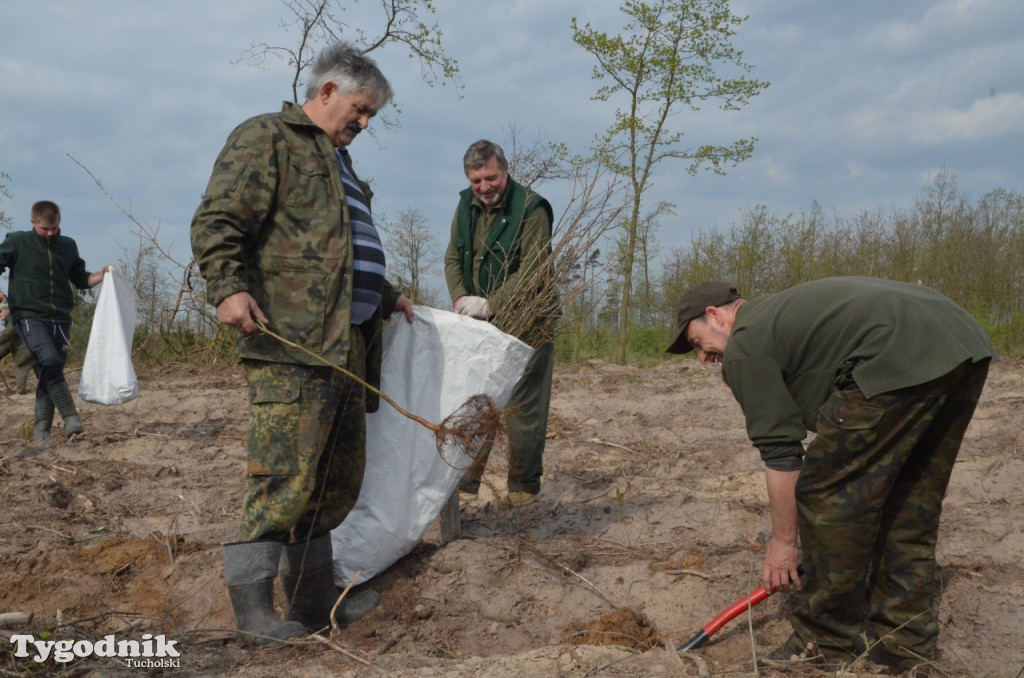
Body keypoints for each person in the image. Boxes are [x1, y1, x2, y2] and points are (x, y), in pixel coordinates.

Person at [190, 42, 413, 645]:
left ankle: (314, 604)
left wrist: (387, 292)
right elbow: (217, 220)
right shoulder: (268, 137)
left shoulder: (342, 166)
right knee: (283, 478)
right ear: (327, 92)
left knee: (333, 482)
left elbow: (343, 249)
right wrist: (227, 289)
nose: (364, 124)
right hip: (293, 344)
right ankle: (254, 612)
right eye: (361, 111)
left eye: (371, 117)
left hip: (347, 350)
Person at [666, 277, 996, 670]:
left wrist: (785, 542)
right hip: (962, 342)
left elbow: (782, 454)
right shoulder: (781, 318)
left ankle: (823, 643)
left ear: (715, 315)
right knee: (909, 504)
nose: (702, 358)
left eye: (696, 343)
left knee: (826, 496)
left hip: (897, 353)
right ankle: (906, 645)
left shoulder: (746, 345)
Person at [443, 140, 557, 506]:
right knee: (476, 402)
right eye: (476, 180)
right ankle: (463, 489)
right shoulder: (465, 205)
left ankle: (522, 492)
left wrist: (492, 305)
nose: (484, 187)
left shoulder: (532, 208)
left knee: (524, 408)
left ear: (504, 170)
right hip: (480, 326)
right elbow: (451, 259)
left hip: (529, 323)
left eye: (490, 177)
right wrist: (461, 299)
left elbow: (535, 270)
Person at [0, 201, 109, 438]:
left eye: (54, 228)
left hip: (60, 317)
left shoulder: (68, 245)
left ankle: (41, 431)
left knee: (51, 368)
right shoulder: (18, 242)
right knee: (48, 358)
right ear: (33, 223)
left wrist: (101, 276)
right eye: (44, 229)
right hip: (28, 314)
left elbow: (81, 279)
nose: (50, 233)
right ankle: (71, 416)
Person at [0, 292, 35, 394]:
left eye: (0, 312)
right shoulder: (9, 319)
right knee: (43, 373)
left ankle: (20, 392)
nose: (0, 315)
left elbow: (7, 334)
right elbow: (7, 343)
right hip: (28, 349)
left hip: (27, 349)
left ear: (7, 310)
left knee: (21, 369)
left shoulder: (14, 318)